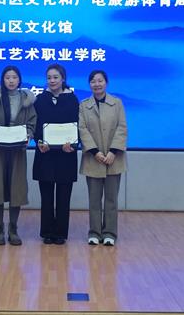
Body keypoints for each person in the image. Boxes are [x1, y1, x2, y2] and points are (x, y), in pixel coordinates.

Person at [0, 66, 36, 246]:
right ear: (2, 80)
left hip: (18, 150)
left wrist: (28, 135)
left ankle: (13, 229)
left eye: (14, 77)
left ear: (19, 80)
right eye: (7, 77)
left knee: (16, 188)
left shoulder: (27, 99)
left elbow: (32, 122)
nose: (11, 80)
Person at [78, 70, 127, 246]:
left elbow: (122, 128)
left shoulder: (117, 103)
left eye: (100, 80)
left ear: (106, 82)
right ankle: (94, 232)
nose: (97, 84)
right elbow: (82, 129)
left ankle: (110, 233)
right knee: (94, 199)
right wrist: (95, 152)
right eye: (93, 81)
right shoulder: (84, 105)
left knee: (111, 199)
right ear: (89, 84)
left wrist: (113, 151)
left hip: (114, 158)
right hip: (93, 158)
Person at [33, 64, 79, 245]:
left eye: (55, 77)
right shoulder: (39, 100)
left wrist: (73, 144)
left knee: (63, 196)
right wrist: (38, 141)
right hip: (45, 154)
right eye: (49, 77)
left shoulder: (72, 99)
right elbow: (35, 125)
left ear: (63, 79)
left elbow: (78, 125)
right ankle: (47, 232)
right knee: (46, 197)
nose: (52, 81)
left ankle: (60, 233)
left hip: (66, 155)